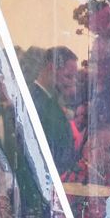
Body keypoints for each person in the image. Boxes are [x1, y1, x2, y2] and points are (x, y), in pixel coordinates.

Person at [30, 46, 78, 176]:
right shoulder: (35, 103)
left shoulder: (49, 101)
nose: (72, 83)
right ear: (51, 68)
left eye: (74, 78)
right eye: (68, 76)